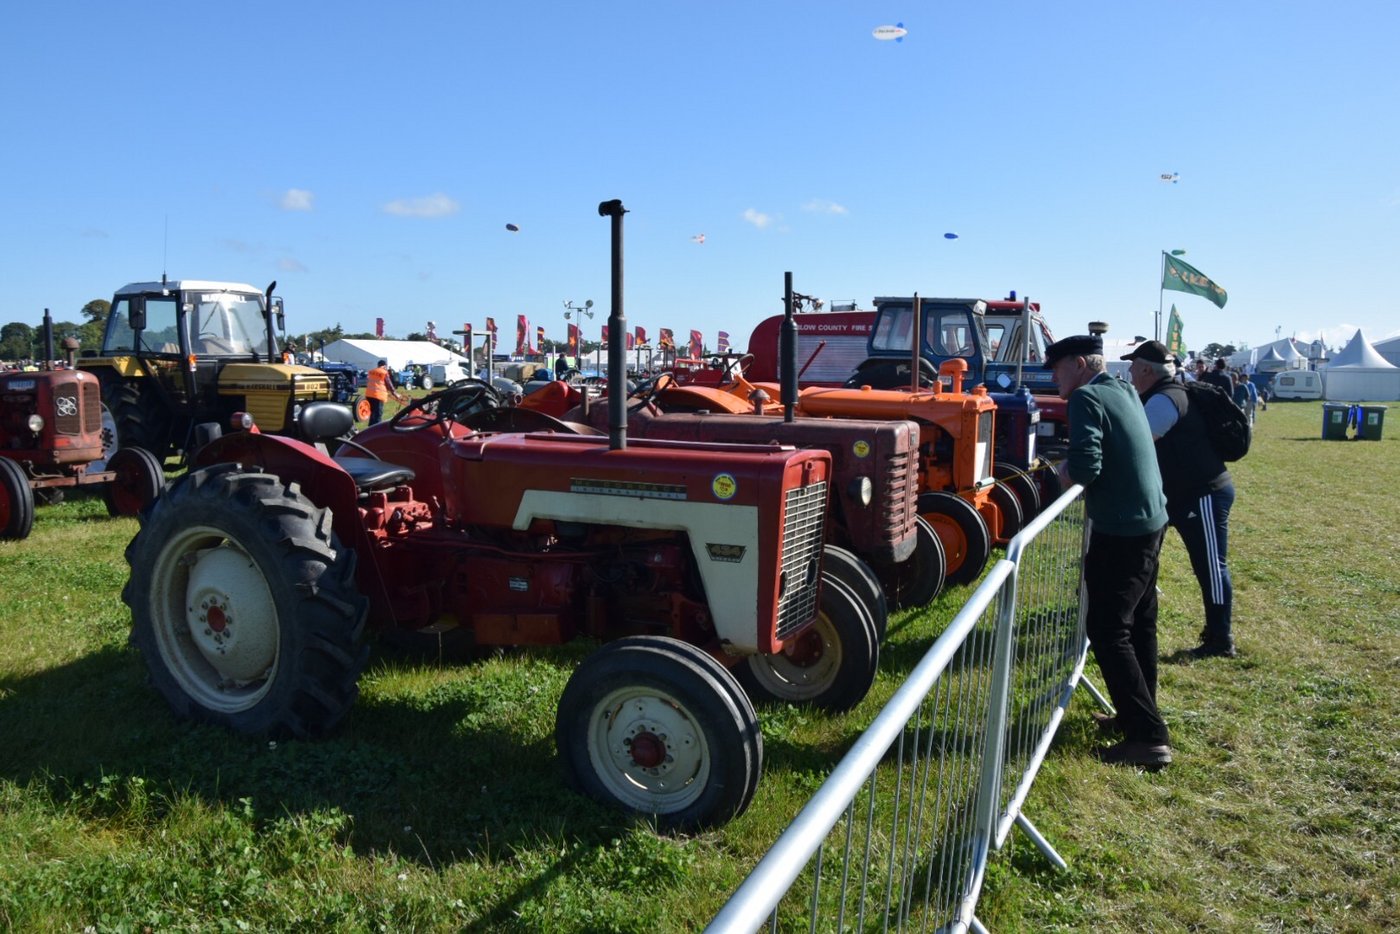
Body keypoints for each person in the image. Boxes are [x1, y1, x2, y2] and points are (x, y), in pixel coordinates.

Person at [1046, 335, 1172, 767]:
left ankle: (1148, 736)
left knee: (1107, 628)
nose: (1052, 377)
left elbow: (1084, 467)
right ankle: (1139, 715)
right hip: (1150, 520)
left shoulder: (1086, 398)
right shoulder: (1122, 389)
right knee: (1139, 624)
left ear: (1079, 364)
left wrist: (1061, 471)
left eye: (1056, 368)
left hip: (1122, 529)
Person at [1122, 341, 1238, 660]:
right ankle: (1128, 619)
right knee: (1143, 557)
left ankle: (1220, 639)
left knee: (1210, 567)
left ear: (1147, 369)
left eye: (1133, 365)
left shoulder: (1165, 399)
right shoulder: (1162, 394)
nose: (1129, 370)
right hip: (1178, 495)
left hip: (1202, 494)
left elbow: (1138, 442)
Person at [365, 358, 407, 426]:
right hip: (378, 395)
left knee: (372, 413)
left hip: (369, 395)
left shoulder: (371, 371)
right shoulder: (384, 372)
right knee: (378, 414)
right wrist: (395, 393)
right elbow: (389, 383)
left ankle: (370, 427)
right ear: (384, 366)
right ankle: (376, 429)